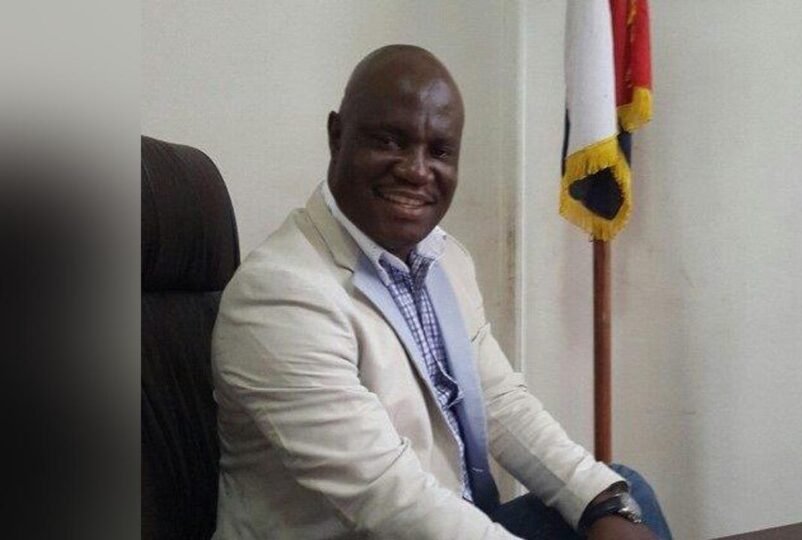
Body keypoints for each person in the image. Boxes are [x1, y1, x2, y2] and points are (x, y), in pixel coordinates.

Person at [211, 44, 672, 540]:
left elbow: (500, 403)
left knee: (626, 495)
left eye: (440, 152)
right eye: (390, 141)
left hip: (445, 517)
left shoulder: (443, 258)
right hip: (373, 528)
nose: (416, 170)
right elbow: (388, 499)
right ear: (337, 136)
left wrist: (605, 503)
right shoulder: (280, 295)